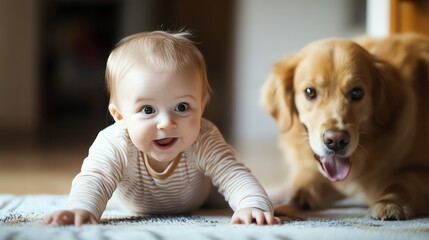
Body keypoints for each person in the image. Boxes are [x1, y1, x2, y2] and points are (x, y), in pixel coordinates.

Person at [43, 31, 281, 226]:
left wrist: (253, 206)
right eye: (148, 110)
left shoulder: (204, 137)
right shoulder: (115, 142)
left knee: (232, 193)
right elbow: (96, 177)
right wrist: (80, 208)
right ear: (120, 116)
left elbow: (233, 173)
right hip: (129, 203)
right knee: (97, 193)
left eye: (182, 106)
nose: (167, 123)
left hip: (197, 197)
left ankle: (277, 194)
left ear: (202, 106)